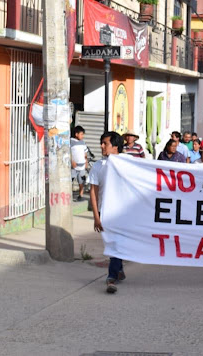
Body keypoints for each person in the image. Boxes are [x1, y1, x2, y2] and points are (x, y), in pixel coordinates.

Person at [89, 131, 125, 294]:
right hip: (106, 213)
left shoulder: (127, 164)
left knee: (115, 244)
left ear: (115, 146)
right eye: (101, 143)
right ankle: (118, 270)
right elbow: (93, 192)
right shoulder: (98, 166)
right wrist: (96, 216)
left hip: (123, 212)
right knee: (113, 243)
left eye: (106, 143)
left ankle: (112, 276)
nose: (102, 146)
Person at [70, 125, 89, 202]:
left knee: (81, 181)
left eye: (83, 134)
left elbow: (85, 153)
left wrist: (86, 161)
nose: (82, 136)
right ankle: (69, 195)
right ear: (76, 134)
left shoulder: (83, 142)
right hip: (73, 166)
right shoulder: (71, 141)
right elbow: (68, 153)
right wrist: (72, 161)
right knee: (70, 180)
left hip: (82, 166)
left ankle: (80, 195)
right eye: (81, 134)